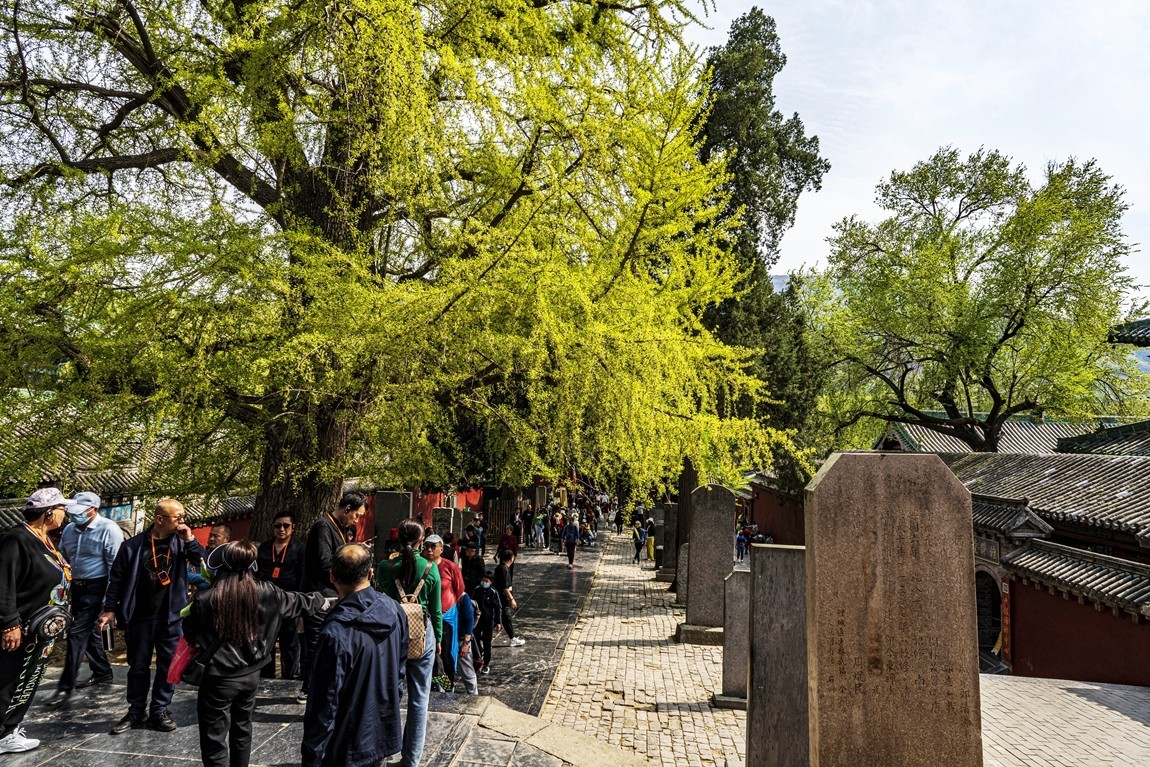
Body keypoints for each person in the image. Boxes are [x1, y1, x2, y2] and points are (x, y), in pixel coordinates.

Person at [184, 540, 330, 767]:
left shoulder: (205, 598)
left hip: (218, 678)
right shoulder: (268, 592)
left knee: (214, 738)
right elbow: (300, 602)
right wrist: (322, 600)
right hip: (252, 675)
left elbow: (191, 634)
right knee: (243, 729)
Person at [99, 497, 204, 734]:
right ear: (159, 519)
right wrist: (109, 609)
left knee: (169, 666)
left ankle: (159, 710)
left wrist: (189, 538)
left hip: (171, 616)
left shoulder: (180, 543)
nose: (182, 522)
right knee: (138, 666)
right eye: (178, 518)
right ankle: (136, 711)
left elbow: (201, 560)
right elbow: (116, 579)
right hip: (140, 616)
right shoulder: (133, 546)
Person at [303, 544, 406, 767]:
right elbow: (399, 670)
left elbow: (325, 704)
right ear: (370, 573)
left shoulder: (335, 633)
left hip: (346, 742)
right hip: (380, 730)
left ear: (332, 576)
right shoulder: (395, 609)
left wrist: (312, 755)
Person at [0, 488, 71, 754]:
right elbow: (4, 583)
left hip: (41, 630)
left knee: (27, 679)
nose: (65, 515)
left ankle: (10, 728)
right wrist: (10, 624)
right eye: (62, 509)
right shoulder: (17, 539)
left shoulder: (44, 539)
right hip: (21, 629)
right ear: (49, 513)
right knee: (10, 680)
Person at [46, 491, 123, 710]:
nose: (74, 516)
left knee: (76, 633)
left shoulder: (109, 529)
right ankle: (102, 671)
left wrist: (109, 602)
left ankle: (65, 685)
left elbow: (114, 568)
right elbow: (62, 559)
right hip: (77, 586)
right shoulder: (70, 530)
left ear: (94, 510)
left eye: (80, 513)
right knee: (88, 632)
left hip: (98, 586)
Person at [374, 519, 441, 767]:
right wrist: (440, 640)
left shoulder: (385, 567)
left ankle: (380, 754)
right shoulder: (430, 568)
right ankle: (411, 760)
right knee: (419, 698)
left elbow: (380, 600)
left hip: (391, 635)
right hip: (423, 635)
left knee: (385, 696)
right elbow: (436, 610)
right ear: (422, 541)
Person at [299, 492, 367, 701]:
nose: (356, 520)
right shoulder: (322, 527)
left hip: (335, 593)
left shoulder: (343, 529)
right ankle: (309, 688)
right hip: (319, 594)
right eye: (356, 515)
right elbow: (324, 562)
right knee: (317, 643)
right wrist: (349, 558)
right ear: (347, 509)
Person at [256, 511, 306, 679]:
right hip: (266, 602)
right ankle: (266, 676)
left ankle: (290, 676)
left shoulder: (299, 549)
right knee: (266, 640)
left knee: (289, 642)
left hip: (289, 601)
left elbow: (302, 576)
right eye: (277, 525)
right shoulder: (264, 547)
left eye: (286, 525)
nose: (281, 529)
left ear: (293, 527)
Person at [421, 534, 463, 691]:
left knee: (446, 652)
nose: (429, 550)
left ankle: (448, 682)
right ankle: (431, 683)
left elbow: (459, 590)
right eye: (426, 547)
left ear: (441, 548)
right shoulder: (421, 565)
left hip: (446, 615)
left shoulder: (450, 567)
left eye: (433, 546)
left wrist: (446, 605)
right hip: (426, 616)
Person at [471, 571, 501, 675]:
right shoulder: (477, 590)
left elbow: (498, 608)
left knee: (487, 643)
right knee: (476, 640)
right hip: (477, 620)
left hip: (488, 621)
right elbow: (472, 603)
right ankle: (478, 659)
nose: (484, 582)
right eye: (483, 580)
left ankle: (486, 664)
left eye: (486, 581)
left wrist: (498, 622)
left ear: (491, 582)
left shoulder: (493, 592)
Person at [492, 550, 524, 647]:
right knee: (505, 617)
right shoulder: (504, 569)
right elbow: (505, 587)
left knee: (502, 618)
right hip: (503, 598)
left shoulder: (499, 568)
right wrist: (511, 599)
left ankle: (512, 637)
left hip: (499, 597)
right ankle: (512, 638)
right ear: (512, 558)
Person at [453, 592, 478, 694]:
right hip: (447, 640)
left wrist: (466, 643)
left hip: (460, 641)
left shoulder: (463, 597)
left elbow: (469, 620)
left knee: (467, 673)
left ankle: (474, 697)